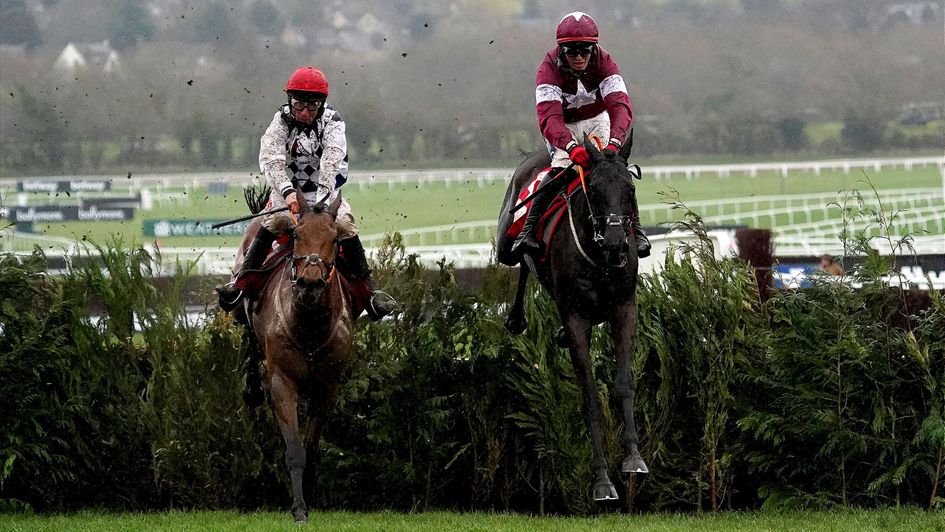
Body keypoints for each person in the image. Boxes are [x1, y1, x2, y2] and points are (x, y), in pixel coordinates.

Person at [216, 66, 396, 319]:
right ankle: (241, 284)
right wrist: (289, 193)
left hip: (325, 194)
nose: (304, 112)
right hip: (286, 191)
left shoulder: (333, 122)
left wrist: (319, 204)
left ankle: (370, 294)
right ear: (290, 100)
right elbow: (272, 161)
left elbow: (331, 162)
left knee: (344, 225)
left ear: (321, 105)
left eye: (312, 106)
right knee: (275, 220)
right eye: (298, 104)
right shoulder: (279, 122)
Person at [510, 11, 650, 262]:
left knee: (613, 170)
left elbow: (620, 106)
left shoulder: (606, 63)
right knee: (562, 169)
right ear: (561, 50)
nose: (578, 57)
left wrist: (616, 141)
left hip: (597, 119)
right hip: (562, 124)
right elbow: (549, 118)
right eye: (572, 51)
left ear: (593, 48)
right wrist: (571, 147)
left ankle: (637, 230)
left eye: (584, 50)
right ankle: (528, 231)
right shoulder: (547, 70)